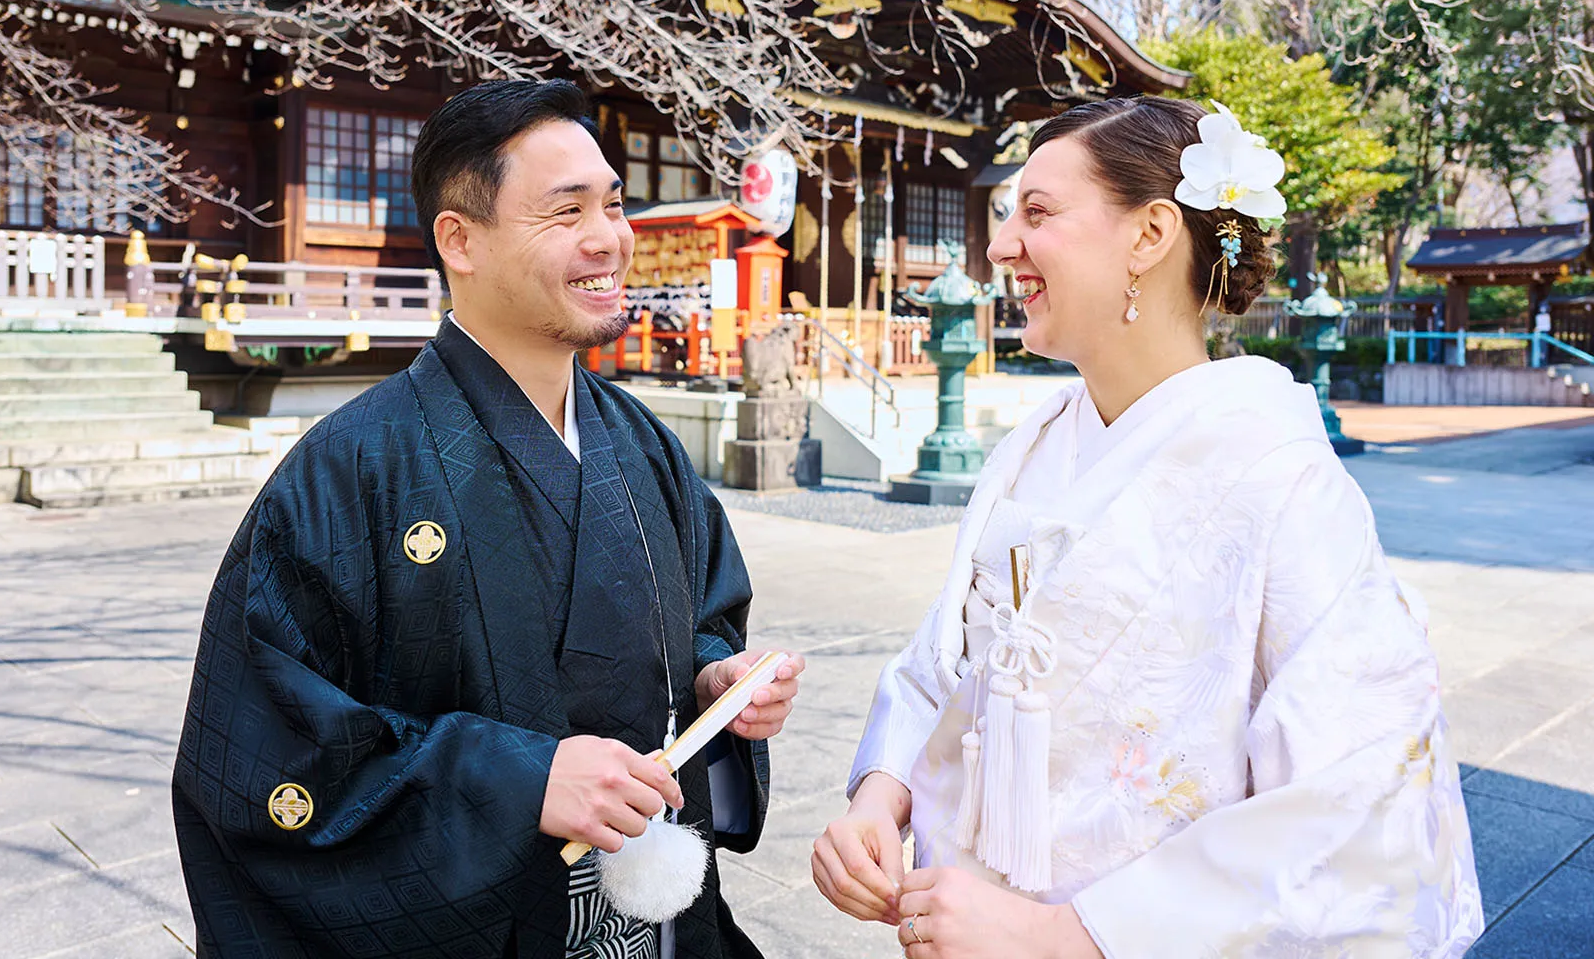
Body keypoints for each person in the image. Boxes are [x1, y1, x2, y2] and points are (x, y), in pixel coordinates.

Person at [813, 96, 1483, 957]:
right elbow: (952, 659)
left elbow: (1360, 794)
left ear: (1149, 234)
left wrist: (1069, 935)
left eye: (1039, 211)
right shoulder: (1036, 446)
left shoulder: (1280, 477)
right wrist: (883, 790)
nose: (1000, 242)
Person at [174, 79, 804, 958]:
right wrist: (518, 783)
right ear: (459, 240)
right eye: (565, 211)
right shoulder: (352, 468)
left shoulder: (644, 448)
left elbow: (698, 621)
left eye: (614, 204)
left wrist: (712, 685)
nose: (609, 239)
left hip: (656, 925)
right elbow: (267, 763)